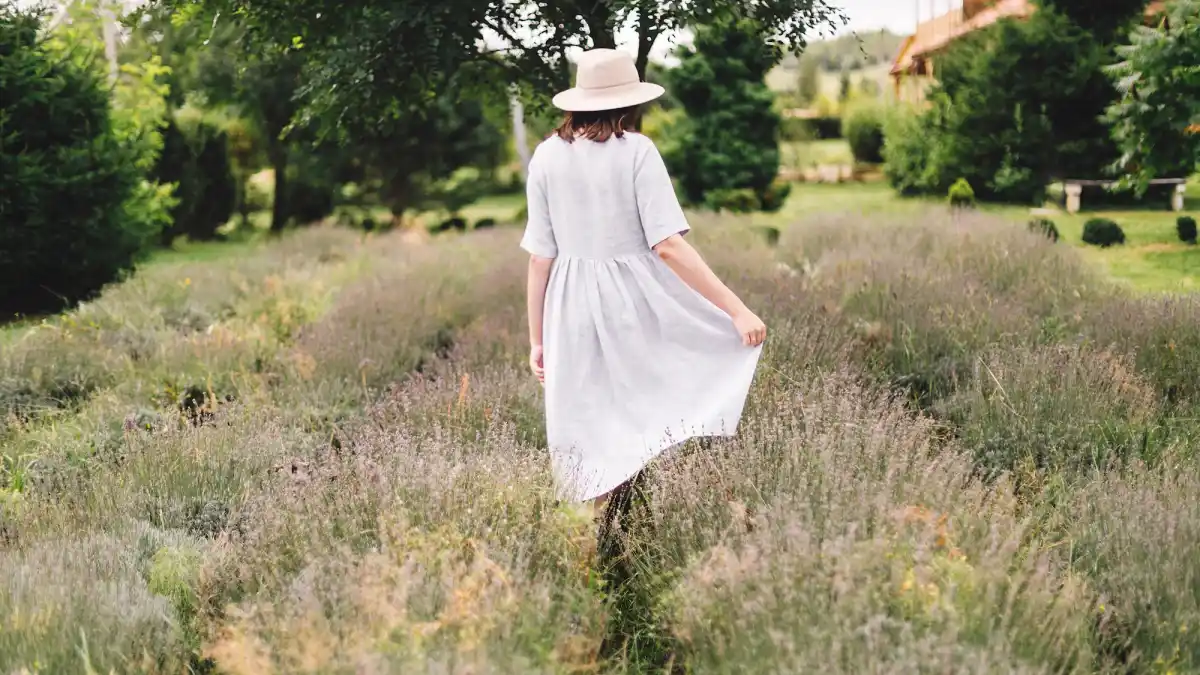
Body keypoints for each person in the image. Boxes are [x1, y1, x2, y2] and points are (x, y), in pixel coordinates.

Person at [522, 48, 766, 525]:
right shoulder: (637, 150)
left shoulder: (547, 156)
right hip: (636, 303)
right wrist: (736, 309)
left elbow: (539, 258)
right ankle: (669, 522)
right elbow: (668, 247)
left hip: (568, 308)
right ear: (630, 102)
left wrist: (537, 339)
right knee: (658, 404)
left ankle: (605, 544)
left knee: (592, 424)